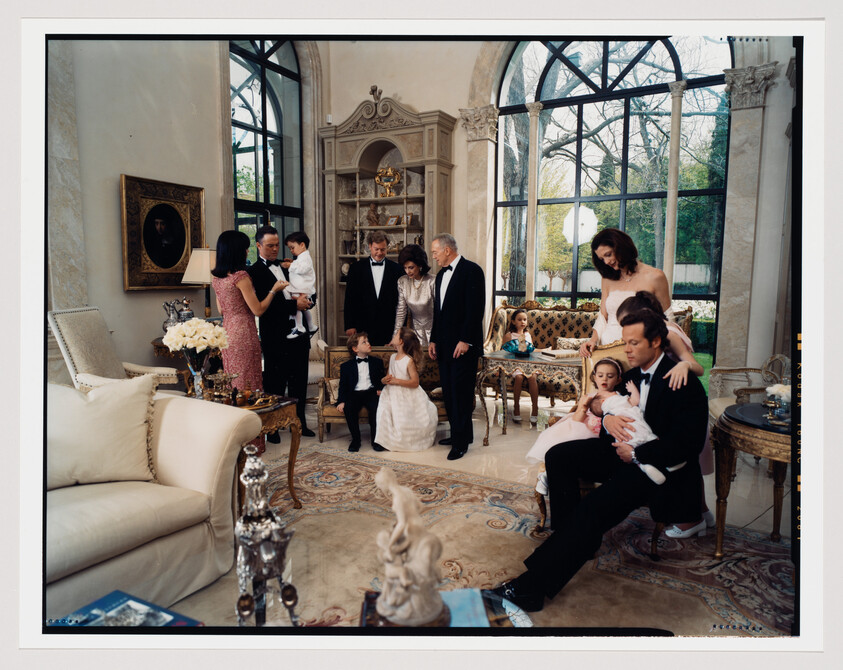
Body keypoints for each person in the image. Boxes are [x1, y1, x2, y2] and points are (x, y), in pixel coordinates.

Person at [489, 309, 708, 612]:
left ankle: (530, 590)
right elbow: (605, 411)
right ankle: (570, 538)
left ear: (657, 341)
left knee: (594, 507)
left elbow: (688, 444)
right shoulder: (631, 376)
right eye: (624, 341)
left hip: (656, 466)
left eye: (633, 343)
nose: (626, 350)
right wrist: (609, 422)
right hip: (622, 453)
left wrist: (637, 453)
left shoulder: (683, 382)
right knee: (559, 456)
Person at [615, 290, 714, 536]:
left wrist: (684, 365)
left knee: (687, 461)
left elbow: (697, 366)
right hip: (653, 388)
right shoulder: (638, 343)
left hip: (675, 391)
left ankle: (695, 516)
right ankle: (701, 514)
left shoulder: (668, 333)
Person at [247, 225, 316, 440]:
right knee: (275, 383)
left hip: (299, 335)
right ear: (258, 246)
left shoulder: (290, 265)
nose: (276, 249)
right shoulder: (253, 273)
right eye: (270, 246)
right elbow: (264, 307)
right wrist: (295, 306)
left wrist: (308, 302)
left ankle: (300, 423)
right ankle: (273, 428)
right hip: (274, 335)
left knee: (299, 381)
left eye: (277, 245)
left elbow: (307, 285)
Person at [525, 357, 624, 494]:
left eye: (610, 376)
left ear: (618, 379)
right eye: (600, 376)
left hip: (600, 434)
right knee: (560, 443)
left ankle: (550, 472)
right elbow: (577, 419)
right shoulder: (590, 395)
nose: (604, 380)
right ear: (594, 377)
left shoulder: (617, 397)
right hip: (582, 426)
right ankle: (547, 474)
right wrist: (583, 407)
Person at [428, 233, 486, 461]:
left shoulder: (472, 271)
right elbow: (438, 312)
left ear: (447, 250)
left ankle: (461, 443)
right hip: (444, 345)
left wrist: (465, 340)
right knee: (450, 392)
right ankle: (460, 434)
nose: (434, 257)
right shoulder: (441, 275)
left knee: (461, 394)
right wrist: (433, 339)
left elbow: (475, 310)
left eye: (435, 252)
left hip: (464, 346)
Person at [211, 230, 287, 394]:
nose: (247, 251)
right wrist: (274, 290)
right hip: (244, 331)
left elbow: (221, 309)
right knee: (248, 378)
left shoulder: (217, 279)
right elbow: (258, 310)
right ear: (237, 250)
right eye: (245, 248)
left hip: (227, 332)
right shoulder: (240, 276)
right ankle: (251, 414)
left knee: (233, 377)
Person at [579, 228, 672, 357]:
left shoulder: (656, 276)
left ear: (621, 247)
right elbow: (603, 317)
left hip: (641, 351)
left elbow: (667, 319)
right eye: (601, 259)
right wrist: (592, 340)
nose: (606, 262)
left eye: (608, 254)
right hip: (607, 349)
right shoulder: (607, 278)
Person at [589, 382, 679, 485]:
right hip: (634, 428)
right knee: (651, 441)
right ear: (604, 401)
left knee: (639, 452)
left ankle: (645, 467)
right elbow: (635, 400)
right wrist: (633, 389)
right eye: (608, 393)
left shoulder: (609, 408)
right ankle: (668, 464)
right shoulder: (615, 401)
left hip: (625, 439)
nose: (613, 392)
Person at [375, 327, 438, 452]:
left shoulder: (408, 361)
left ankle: (403, 442)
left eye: (397, 334)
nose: (394, 334)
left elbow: (415, 382)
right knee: (384, 412)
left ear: (401, 341)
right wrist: (384, 380)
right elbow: (389, 376)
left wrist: (396, 381)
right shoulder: (392, 357)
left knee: (402, 417)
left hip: (406, 393)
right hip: (391, 392)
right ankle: (384, 440)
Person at [344, 230, 402, 346]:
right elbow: (350, 299)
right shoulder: (356, 269)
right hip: (362, 326)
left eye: (383, 249)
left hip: (388, 326)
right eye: (376, 249)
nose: (379, 253)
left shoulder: (397, 270)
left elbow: (400, 303)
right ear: (370, 246)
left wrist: (399, 330)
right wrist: (349, 325)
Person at [336, 332, 386, 453]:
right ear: (355, 349)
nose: (368, 343)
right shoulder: (346, 366)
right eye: (364, 342)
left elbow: (382, 380)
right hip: (355, 394)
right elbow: (343, 386)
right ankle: (356, 440)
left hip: (371, 392)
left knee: (376, 408)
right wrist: (341, 401)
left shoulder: (377, 362)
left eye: (368, 341)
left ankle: (376, 440)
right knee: (349, 408)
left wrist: (381, 389)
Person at [389, 244, 435, 349]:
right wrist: (396, 336)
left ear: (420, 265)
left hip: (434, 332)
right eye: (405, 267)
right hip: (415, 333)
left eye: (411, 267)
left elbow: (440, 311)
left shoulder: (433, 281)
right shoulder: (402, 282)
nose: (407, 271)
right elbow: (401, 311)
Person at [280, 231, 318, 338]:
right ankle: (311, 326)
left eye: (292, 247)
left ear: (302, 245)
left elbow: (303, 269)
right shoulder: (302, 257)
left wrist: (290, 266)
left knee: (296, 306)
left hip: (302, 288)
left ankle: (300, 327)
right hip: (301, 287)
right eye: (290, 248)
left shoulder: (305, 257)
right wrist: (292, 262)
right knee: (302, 309)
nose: (291, 250)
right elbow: (300, 265)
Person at [504, 309, 540, 424]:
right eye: (519, 320)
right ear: (513, 322)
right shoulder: (509, 335)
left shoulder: (527, 335)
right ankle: (516, 407)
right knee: (519, 377)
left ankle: (535, 409)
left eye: (524, 319)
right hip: (515, 364)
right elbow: (502, 352)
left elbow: (530, 350)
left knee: (532, 377)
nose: (522, 322)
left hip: (528, 363)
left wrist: (543, 351)